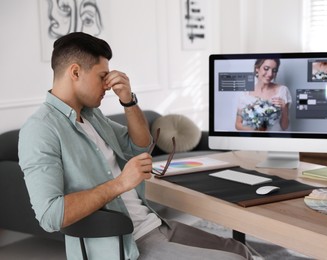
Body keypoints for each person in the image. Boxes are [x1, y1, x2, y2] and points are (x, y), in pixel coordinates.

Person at [18, 32, 256, 260]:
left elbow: (140, 146)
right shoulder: (40, 130)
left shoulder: (92, 116)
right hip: (126, 245)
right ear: (76, 72)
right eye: (102, 76)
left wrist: (128, 100)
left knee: (239, 250)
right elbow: (50, 216)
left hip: (154, 225)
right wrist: (121, 183)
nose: (107, 85)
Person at [235, 59, 292, 131]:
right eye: (266, 68)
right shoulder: (245, 94)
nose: (270, 74)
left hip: (275, 140)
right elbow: (238, 124)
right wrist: (257, 130)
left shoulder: (282, 91)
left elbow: (285, 126)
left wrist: (284, 108)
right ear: (257, 69)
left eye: (274, 70)